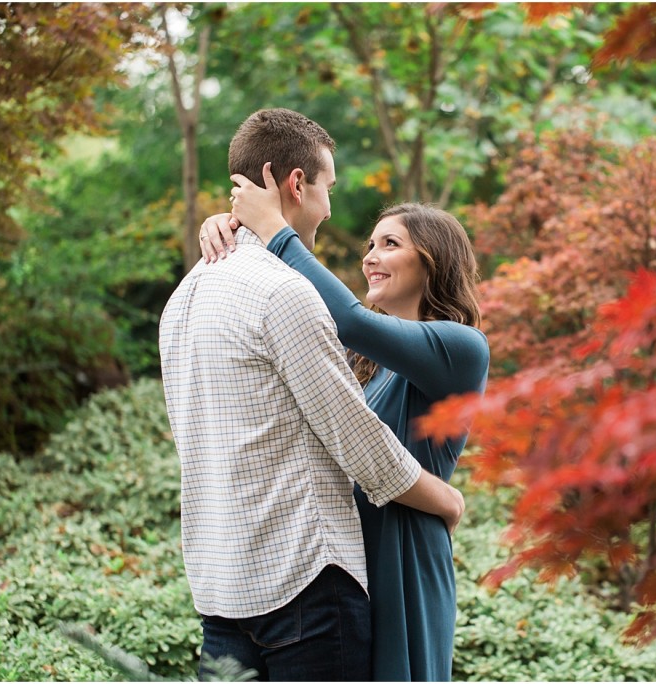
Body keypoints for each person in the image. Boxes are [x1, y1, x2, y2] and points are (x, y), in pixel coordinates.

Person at [159, 108, 465, 682]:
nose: (329, 210)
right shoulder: (286, 296)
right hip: (305, 584)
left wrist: (255, 232)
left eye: (387, 243)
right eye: (327, 188)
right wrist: (448, 500)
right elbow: (356, 439)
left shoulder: (182, 297)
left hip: (225, 585)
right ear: (297, 184)